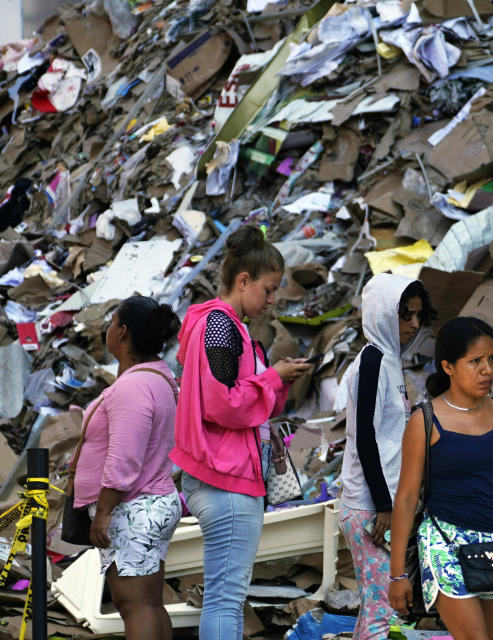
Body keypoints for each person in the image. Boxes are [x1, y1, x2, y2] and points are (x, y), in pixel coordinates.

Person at [170, 225, 312, 640]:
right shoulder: (221, 326)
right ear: (243, 280)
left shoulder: (216, 324)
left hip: (217, 475)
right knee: (226, 599)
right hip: (226, 479)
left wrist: (277, 379)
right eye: (268, 290)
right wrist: (272, 377)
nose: (271, 301)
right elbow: (223, 404)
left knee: (222, 595)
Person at [388, 317, 493, 640]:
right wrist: (396, 575)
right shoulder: (425, 421)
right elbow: (405, 499)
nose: (487, 369)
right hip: (446, 542)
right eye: (475, 361)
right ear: (448, 366)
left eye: (492, 359)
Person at [72, 296, 182, 640]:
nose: (107, 328)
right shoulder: (157, 377)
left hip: (132, 507)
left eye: (111, 321)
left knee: (134, 605)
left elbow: (124, 458)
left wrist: (102, 512)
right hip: (150, 502)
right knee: (148, 602)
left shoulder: (132, 387)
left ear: (122, 331)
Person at [339, 274, 436, 639]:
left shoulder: (391, 361)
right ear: (382, 314)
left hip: (383, 503)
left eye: (417, 316)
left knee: (375, 607)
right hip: (369, 507)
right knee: (383, 609)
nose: (413, 325)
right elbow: (366, 436)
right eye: (404, 316)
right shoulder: (374, 362)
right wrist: (384, 504)